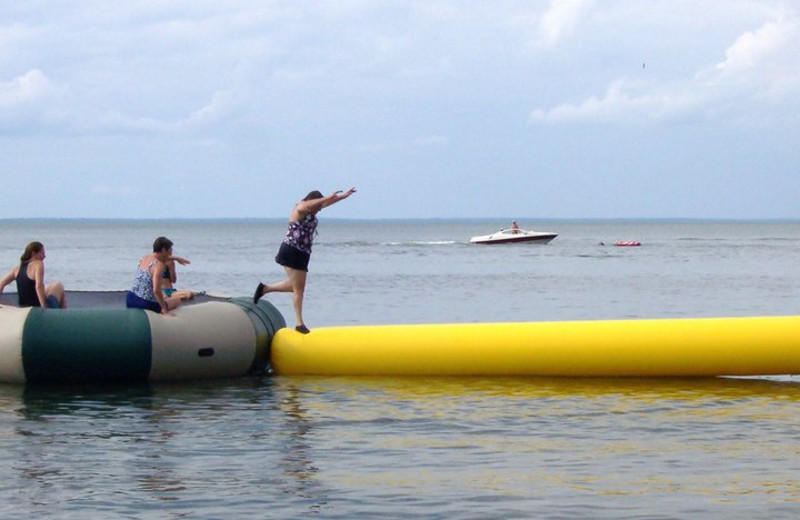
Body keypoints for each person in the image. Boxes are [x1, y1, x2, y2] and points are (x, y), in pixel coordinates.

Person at [254, 188, 357, 334]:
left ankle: (265, 289)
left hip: (303, 252)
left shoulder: (313, 210)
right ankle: (299, 323)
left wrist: (343, 197)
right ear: (312, 202)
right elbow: (305, 206)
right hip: (291, 249)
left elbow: (326, 203)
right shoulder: (300, 208)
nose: (319, 210)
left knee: (295, 287)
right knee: (299, 289)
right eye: (318, 207)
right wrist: (326, 197)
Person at [126, 236, 183, 315]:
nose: (171, 254)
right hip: (144, 304)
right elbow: (156, 290)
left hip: (130, 298)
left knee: (165, 297)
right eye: (170, 250)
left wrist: (177, 259)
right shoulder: (159, 265)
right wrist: (164, 309)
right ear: (163, 250)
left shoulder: (144, 258)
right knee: (177, 300)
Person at [0, 241, 66, 308]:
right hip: (38, 307)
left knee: (49, 287)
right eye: (42, 253)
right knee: (59, 286)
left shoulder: (17, 269)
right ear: (34, 253)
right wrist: (44, 307)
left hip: (23, 307)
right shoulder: (38, 264)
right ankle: (61, 315)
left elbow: (1, 283)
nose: (44, 256)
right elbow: (38, 286)